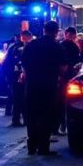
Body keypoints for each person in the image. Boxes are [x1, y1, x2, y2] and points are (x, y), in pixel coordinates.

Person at [21, 21, 67, 156]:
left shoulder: (32, 45)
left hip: (32, 86)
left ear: (44, 30)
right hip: (49, 86)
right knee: (46, 116)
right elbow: (63, 67)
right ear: (56, 31)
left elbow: (23, 64)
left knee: (32, 115)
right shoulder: (57, 47)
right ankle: (43, 147)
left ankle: (31, 146)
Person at [2, 31, 33, 127]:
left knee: (17, 98)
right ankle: (21, 120)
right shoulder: (24, 47)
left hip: (15, 76)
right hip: (22, 76)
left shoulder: (13, 47)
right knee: (22, 98)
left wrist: (8, 76)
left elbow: (5, 63)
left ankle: (18, 120)